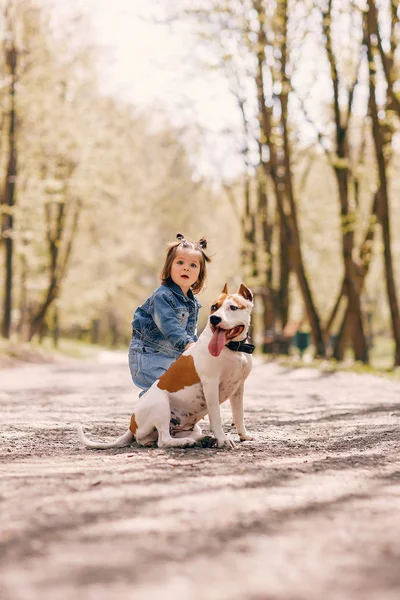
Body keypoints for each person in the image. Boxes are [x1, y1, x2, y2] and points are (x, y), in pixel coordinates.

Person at [128, 233, 211, 395]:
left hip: (173, 356)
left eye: (193, 265)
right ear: (169, 267)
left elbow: (189, 333)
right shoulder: (162, 296)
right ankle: (147, 418)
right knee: (158, 393)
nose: (186, 268)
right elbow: (169, 325)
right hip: (150, 355)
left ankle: (177, 419)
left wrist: (199, 349)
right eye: (180, 262)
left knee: (181, 392)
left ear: (199, 274)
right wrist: (189, 345)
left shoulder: (192, 302)